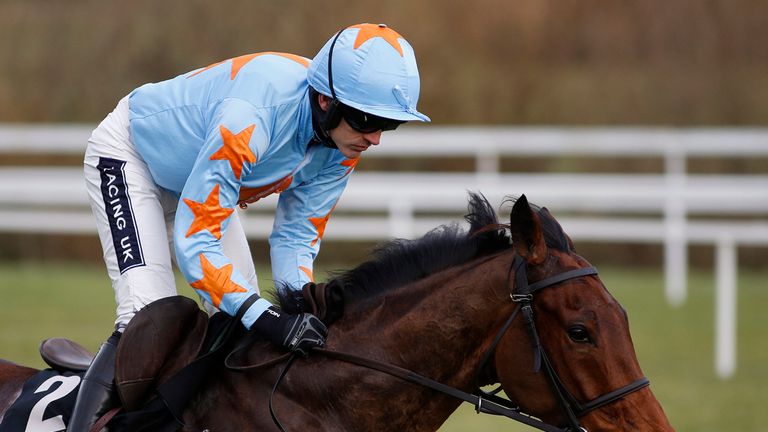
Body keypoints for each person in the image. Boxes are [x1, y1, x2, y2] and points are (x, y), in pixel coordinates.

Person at [70, 23, 429, 430]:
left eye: (387, 124)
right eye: (366, 120)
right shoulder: (251, 118)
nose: (375, 138)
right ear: (326, 101)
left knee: (239, 318)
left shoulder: (342, 144)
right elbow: (195, 241)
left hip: (198, 184)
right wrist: (267, 317)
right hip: (132, 159)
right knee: (148, 319)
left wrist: (302, 308)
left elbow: (296, 236)